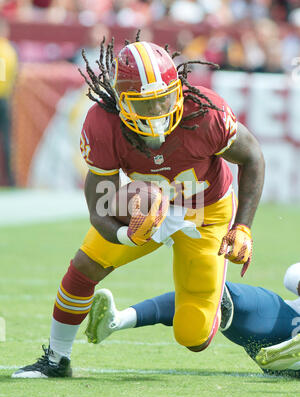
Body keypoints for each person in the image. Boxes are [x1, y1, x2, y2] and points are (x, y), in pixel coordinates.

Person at [12, 31, 265, 378]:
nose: (157, 112)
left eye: (163, 100)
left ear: (177, 91)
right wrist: (124, 236)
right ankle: (56, 359)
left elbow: (252, 158)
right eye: (145, 104)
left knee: (193, 336)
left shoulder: (205, 113)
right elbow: (99, 206)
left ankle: (217, 295)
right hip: (150, 209)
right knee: (85, 266)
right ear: (121, 101)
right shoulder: (104, 124)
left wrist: (243, 225)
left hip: (207, 212)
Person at [85, 262, 300, 379]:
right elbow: (292, 276)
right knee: (210, 295)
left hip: (278, 337)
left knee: (212, 296)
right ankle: (117, 321)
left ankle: (290, 358)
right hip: (279, 325)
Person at [0, 17, 18, 186]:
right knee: (7, 142)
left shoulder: (8, 50)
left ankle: (11, 179)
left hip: (4, 99)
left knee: (8, 142)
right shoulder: (10, 50)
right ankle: (11, 180)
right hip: (5, 99)